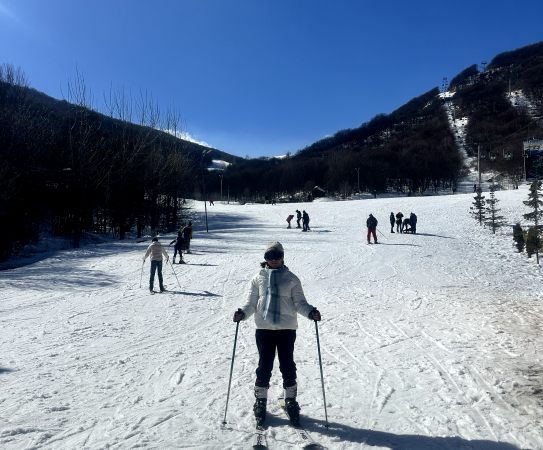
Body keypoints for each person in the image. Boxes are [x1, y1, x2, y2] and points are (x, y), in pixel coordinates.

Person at [232, 242, 321, 425]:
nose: (273, 259)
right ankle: (261, 401)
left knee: (287, 365)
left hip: (287, 328)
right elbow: (251, 303)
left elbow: (299, 303)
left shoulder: (292, 278)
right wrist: (243, 313)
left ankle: (290, 400)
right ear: (265, 258)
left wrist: (311, 312)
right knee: (264, 365)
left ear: (282, 256)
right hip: (264, 328)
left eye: (277, 255)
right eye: (270, 256)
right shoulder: (258, 279)